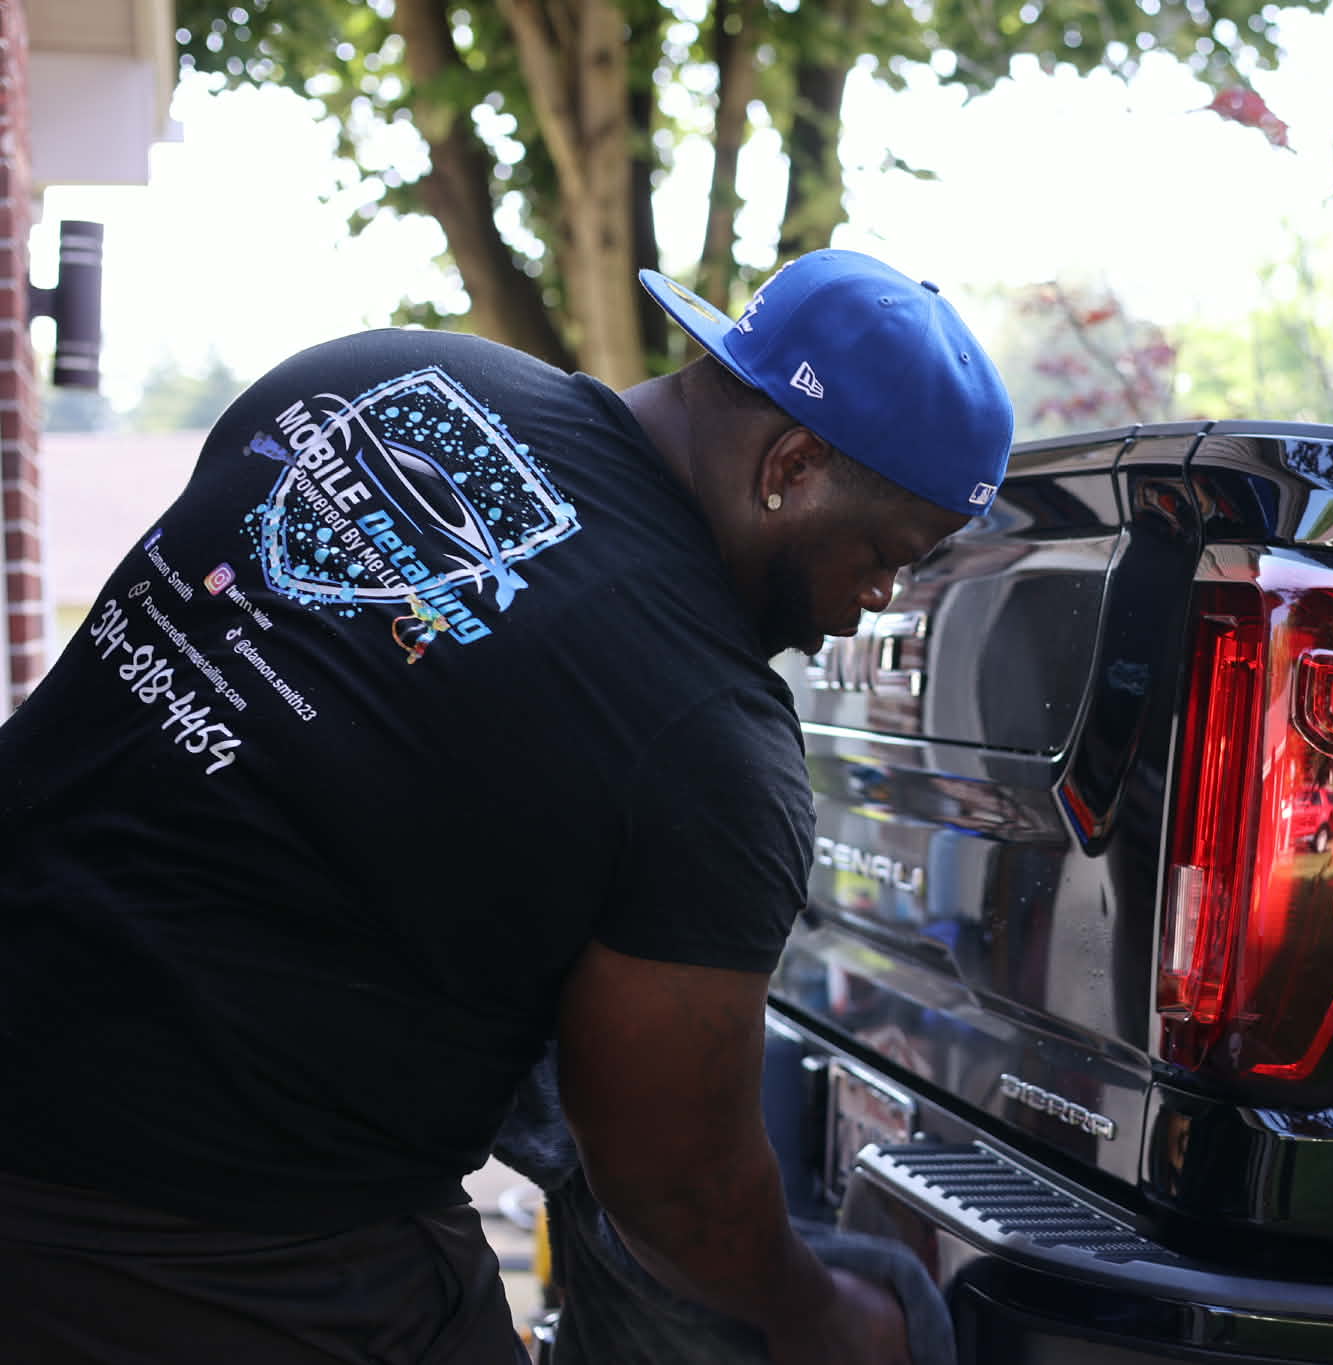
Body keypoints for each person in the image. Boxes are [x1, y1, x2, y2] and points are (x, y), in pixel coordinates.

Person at [0, 249, 1013, 1364]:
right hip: (215, 1237)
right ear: (793, 463)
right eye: (882, 556)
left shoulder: (367, 375)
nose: (875, 602)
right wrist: (818, 1318)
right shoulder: (709, 741)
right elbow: (674, 1188)